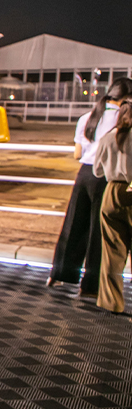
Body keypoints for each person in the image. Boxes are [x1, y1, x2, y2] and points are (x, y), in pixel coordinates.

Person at [46, 78, 131, 298]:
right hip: (107, 177)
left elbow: (77, 154)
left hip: (84, 174)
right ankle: (90, 285)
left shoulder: (87, 117)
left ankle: (60, 274)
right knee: (99, 233)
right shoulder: (124, 120)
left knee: (73, 224)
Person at [94, 98, 132, 315]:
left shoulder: (108, 137)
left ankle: (112, 302)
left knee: (112, 251)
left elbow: (97, 171)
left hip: (112, 192)